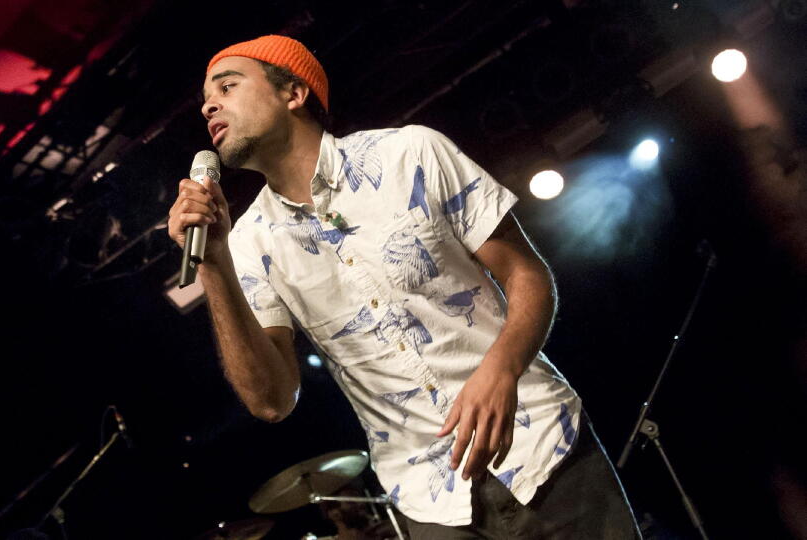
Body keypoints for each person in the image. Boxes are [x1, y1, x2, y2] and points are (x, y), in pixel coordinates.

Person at [168, 34, 641, 539]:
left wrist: (502, 367)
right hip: (430, 501)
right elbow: (271, 401)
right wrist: (213, 265)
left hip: (544, 449)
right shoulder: (248, 243)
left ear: (294, 93)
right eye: (205, 99)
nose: (209, 106)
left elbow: (527, 273)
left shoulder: (411, 152)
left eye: (227, 87)